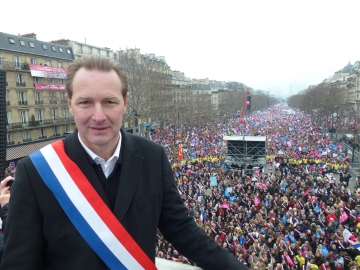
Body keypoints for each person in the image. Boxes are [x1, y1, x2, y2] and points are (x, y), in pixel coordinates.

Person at [1, 55, 247, 270]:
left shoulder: (153, 157)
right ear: (69, 103)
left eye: (109, 102)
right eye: (86, 102)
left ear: (125, 102)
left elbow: (183, 232)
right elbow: (20, 262)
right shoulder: (35, 173)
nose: (99, 116)